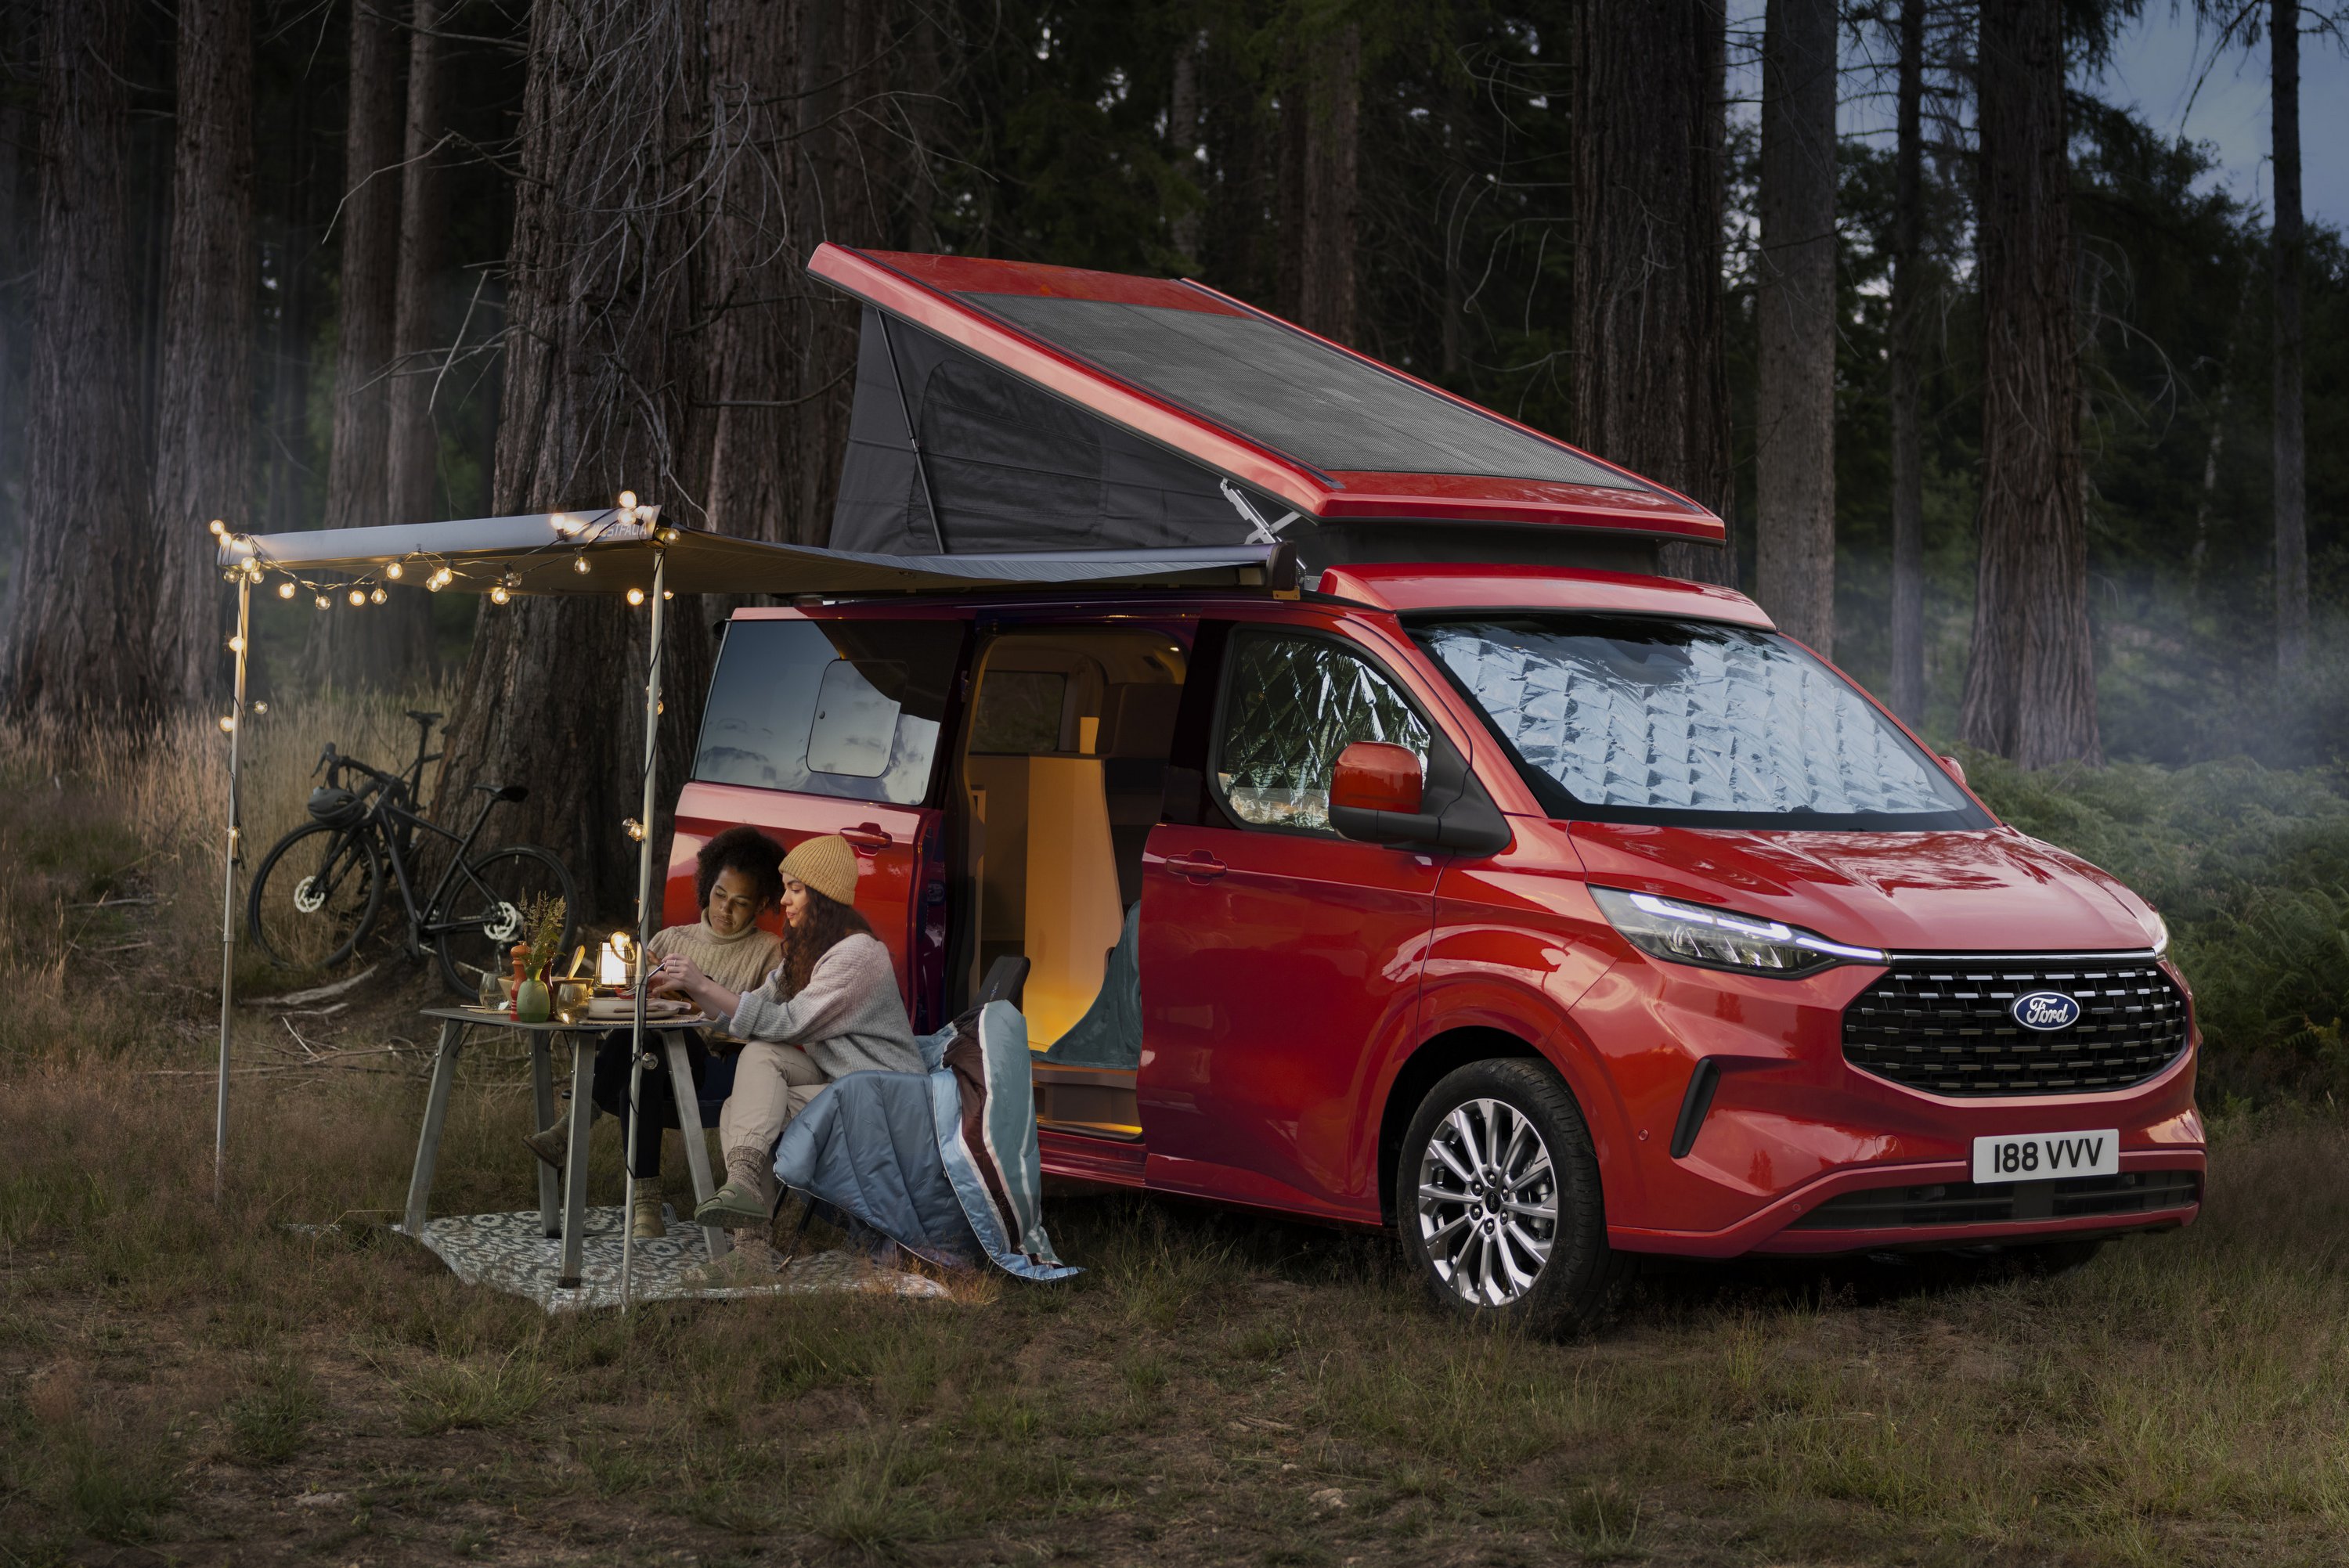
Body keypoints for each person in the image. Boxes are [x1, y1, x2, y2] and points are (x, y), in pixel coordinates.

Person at [647, 832, 923, 1234]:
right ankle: (748, 1229)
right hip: (841, 1082)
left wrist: (703, 985)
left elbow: (786, 1022)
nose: (783, 900)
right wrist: (692, 991)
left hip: (884, 1094)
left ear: (822, 897)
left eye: (795, 890)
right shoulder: (806, 950)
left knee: (748, 1092)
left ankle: (747, 1224)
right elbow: (755, 1006)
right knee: (748, 1084)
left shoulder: (858, 956)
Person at [523, 825, 785, 1239]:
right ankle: (646, 1207)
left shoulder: (769, 950)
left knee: (647, 1042)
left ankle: (574, 1128)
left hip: (716, 1067)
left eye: (740, 903)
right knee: (643, 1046)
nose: (725, 910)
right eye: (719, 895)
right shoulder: (670, 938)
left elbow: (764, 1023)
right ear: (707, 885)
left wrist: (696, 994)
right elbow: (632, 1004)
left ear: (760, 905)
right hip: (653, 1065)